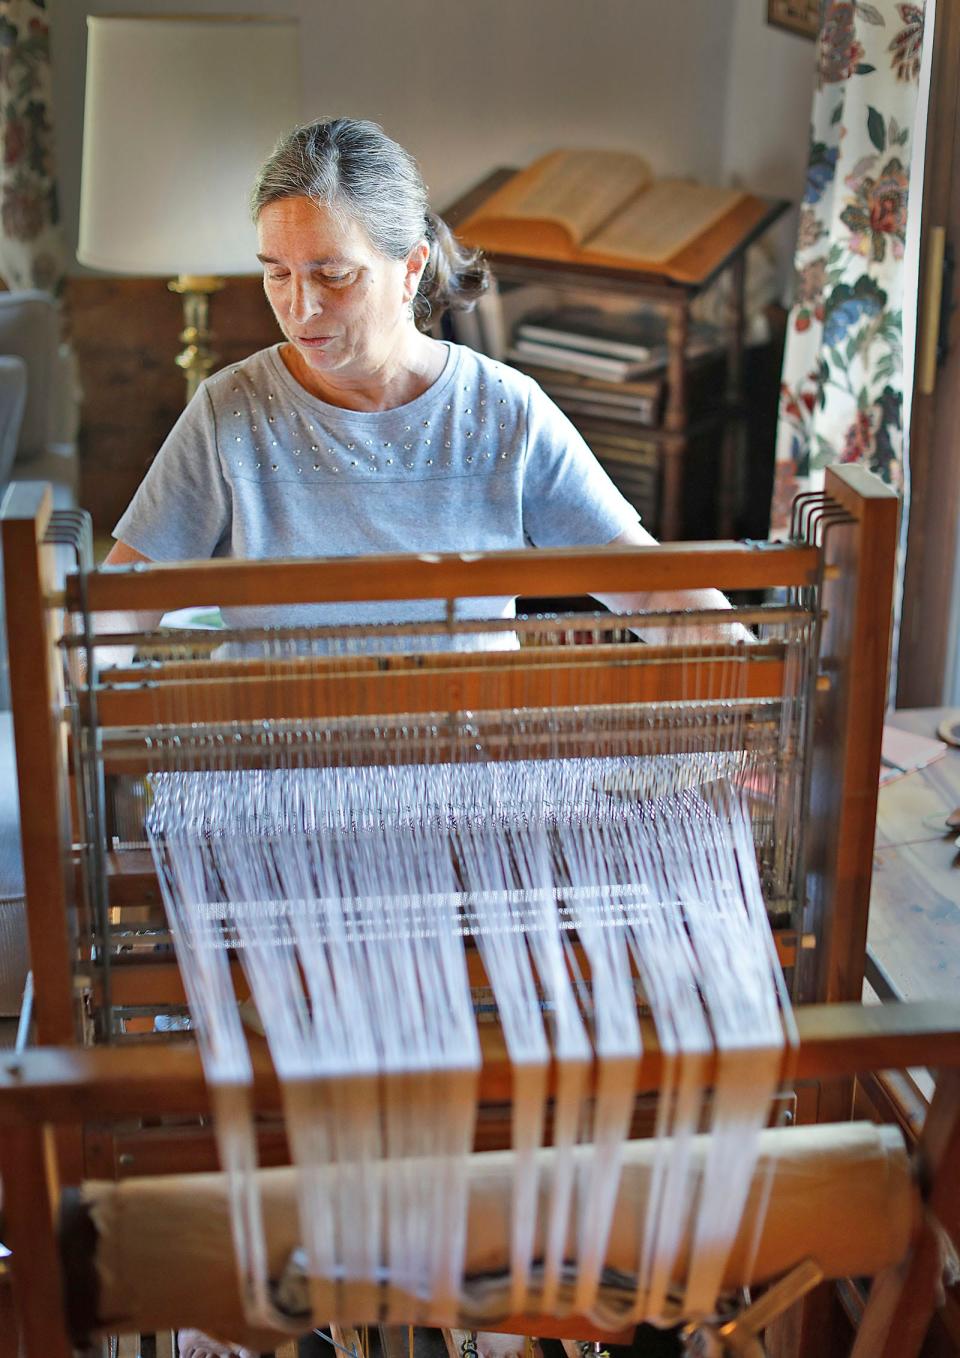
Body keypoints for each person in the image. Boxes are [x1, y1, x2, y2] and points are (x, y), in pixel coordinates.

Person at [108, 118, 742, 1358]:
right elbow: (119, 610)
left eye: (331, 272)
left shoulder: (502, 413)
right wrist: (80, 714)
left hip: (460, 811)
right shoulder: (229, 415)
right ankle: (299, 1287)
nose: (297, 305)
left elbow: (647, 582)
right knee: (300, 1108)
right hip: (280, 820)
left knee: (512, 1077)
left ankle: (494, 1285)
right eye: (275, 273)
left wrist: (762, 686)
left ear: (409, 267)